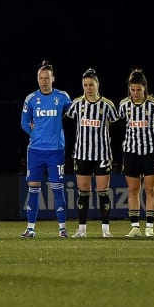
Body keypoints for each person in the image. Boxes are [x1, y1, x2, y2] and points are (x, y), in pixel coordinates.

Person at [19, 60, 72, 238]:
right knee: (33, 188)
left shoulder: (62, 97)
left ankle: (62, 229)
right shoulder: (31, 99)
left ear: (53, 79)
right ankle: (31, 228)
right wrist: (33, 133)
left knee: (57, 188)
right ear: (37, 79)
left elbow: (73, 113)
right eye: (41, 78)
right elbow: (24, 122)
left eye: (47, 78)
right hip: (35, 151)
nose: (43, 81)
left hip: (56, 151)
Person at [64, 68, 119, 238]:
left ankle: (105, 229)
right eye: (85, 85)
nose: (88, 88)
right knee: (83, 190)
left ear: (97, 85)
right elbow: (67, 118)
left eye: (91, 84)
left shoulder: (107, 105)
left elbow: (116, 126)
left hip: (102, 154)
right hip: (82, 154)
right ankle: (81, 229)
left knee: (103, 191)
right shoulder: (77, 104)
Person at [115, 68, 154, 237]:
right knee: (133, 189)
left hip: (150, 151)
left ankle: (149, 227)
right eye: (132, 89)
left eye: (138, 89)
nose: (135, 93)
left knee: (150, 189)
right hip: (130, 152)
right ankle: (135, 226)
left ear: (145, 87)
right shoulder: (124, 105)